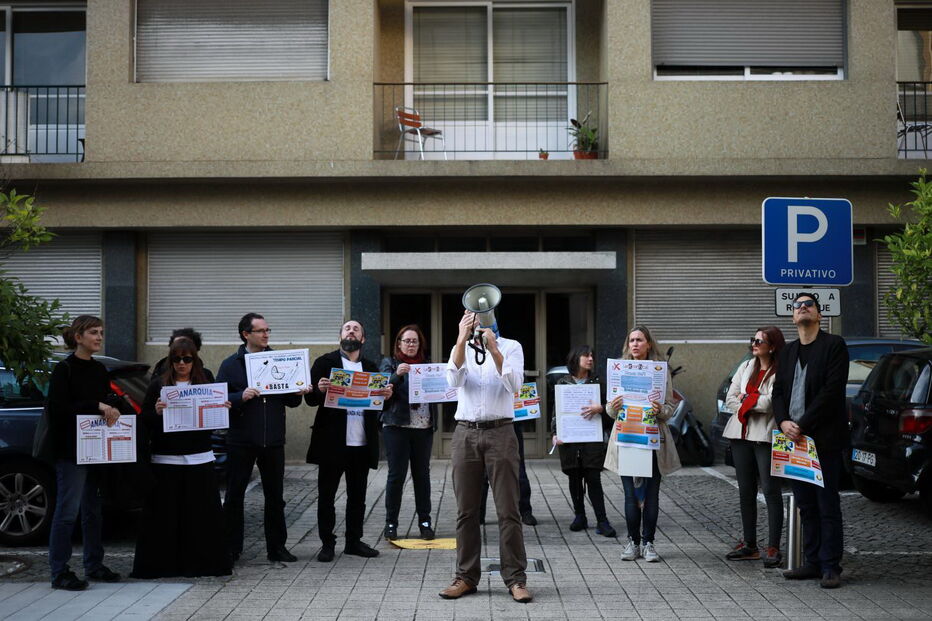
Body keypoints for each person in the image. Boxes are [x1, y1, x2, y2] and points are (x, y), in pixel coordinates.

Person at [439, 310, 532, 604]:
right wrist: (460, 338)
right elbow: (453, 379)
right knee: (466, 511)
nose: (477, 324)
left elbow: (515, 384)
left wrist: (493, 348)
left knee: (508, 509)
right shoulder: (461, 348)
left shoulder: (511, 346)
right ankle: (465, 576)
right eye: (472, 321)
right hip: (466, 432)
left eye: (482, 320)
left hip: (501, 432)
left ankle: (515, 578)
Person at [132, 337, 232, 578]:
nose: (181, 364)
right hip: (167, 459)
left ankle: (202, 564)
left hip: (199, 457)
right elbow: (144, 421)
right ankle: (164, 565)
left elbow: (213, 420)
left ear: (194, 360)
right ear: (171, 361)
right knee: (165, 517)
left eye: (186, 359)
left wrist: (222, 409)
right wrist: (155, 413)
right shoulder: (158, 385)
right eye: (176, 359)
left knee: (200, 516)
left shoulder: (205, 381)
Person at [772, 293, 849, 589]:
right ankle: (813, 562)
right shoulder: (788, 352)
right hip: (793, 442)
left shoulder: (834, 346)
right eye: (797, 306)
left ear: (818, 314)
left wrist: (801, 424)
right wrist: (783, 422)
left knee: (827, 503)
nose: (802, 308)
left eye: (809, 305)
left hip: (823, 440)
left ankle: (831, 566)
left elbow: (831, 392)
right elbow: (777, 391)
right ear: (793, 317)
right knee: (805, 504)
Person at [217, 312, 306, 563]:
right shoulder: (231, 364)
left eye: (268, 330)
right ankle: (231, 548)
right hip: (241, 440)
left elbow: (290, 401)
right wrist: (239, 397)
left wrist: (297, 391)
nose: (266, 334)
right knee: (235, 495)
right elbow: (218, 398)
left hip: (273, 439)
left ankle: (277, 547)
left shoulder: (280, 360)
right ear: (246, 334)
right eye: (261, 331)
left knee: (275, 497)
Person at [46, 315, 122, 590]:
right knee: (67, 511)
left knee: (93, 511)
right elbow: (60, 410)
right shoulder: (64, 369)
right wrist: (97, 405)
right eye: (93, 332)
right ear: (78, 337)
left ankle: (94, 564)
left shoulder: (100, 369)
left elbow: (105, 400)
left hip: (96, 448)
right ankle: (59, 571)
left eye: (101, 332)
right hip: (70, 451)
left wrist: (112, 405)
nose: (99, 337)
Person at [306, 320, 392, 562]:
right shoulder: (325, 363)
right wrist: (318, 390)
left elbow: (379, 406)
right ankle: (327, 543)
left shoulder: (371, 367)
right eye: (347, 328)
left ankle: (354, 541)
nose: (351, 331)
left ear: (363, 339)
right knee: (326, 495)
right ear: (340, 336)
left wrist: (386, 396)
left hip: (361, 443)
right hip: (332, 442)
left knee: (358, 496)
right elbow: (310, 401)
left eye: (356, 329)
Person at [603, 325, 680, 563]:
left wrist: (661, 410)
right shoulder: (619, 368)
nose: (635, 344)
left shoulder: (659, 371)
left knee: (652, 495)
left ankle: (649, 543)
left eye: (640, 340)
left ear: (648, 344)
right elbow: (609, 410)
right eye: (632, 340)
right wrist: (612, 407)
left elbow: (670, 407)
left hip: (652, 438)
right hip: (627, 437)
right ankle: (633, 542)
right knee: (630, 495)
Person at [722, 326, 786, 568]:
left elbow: (771, 402)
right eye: (754, 339)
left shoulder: (779, 370)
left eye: (761, 340)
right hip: (739, 434)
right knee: (745, 490)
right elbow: (730, 397)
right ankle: (750, 544)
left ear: (772, 346)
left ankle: (773, 547)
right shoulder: (747, 366)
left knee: (770, 490)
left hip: (765, 436)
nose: (755, 343)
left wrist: (746, 400)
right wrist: (752, 400)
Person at [379, 324, 436, 541]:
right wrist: (396, 375)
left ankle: (425, 522)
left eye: (415, 341)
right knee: (396, 476)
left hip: (423, 427)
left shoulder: (428, 365)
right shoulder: (389, 363)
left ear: (420, 344)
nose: (411, 345)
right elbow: (381, 390)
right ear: (399, 343)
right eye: (407, 341)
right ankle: (391, 523)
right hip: (396, 426)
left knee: (422, 476)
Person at [551, 345, 615, 537]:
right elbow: (556, 412)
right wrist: (555, 433)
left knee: (593, 477)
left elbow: (611, 411)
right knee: (574, 477)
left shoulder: (598, 383)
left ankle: (602, 520)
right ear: (575, 358)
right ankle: (580, 516)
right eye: (586, 355)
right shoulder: (563, 383)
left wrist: (601, 408)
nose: (590, 359)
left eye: (592, 356)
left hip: (592, 438)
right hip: (570, 439)